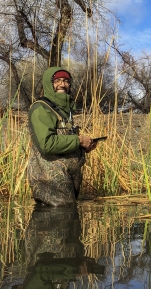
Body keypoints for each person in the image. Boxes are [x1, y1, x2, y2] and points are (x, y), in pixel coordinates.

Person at [27, 67, 97, 206]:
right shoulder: (41, 108)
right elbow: (46, 144)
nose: (62, 84)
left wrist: (82, 146)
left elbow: (64, 142)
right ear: (48, 84)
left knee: (69, 221)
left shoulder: (64, 111)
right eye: (57, 81)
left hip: (66, 181)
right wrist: (78, 140)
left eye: (66, 81)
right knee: (57, 220)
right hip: (51, 182)